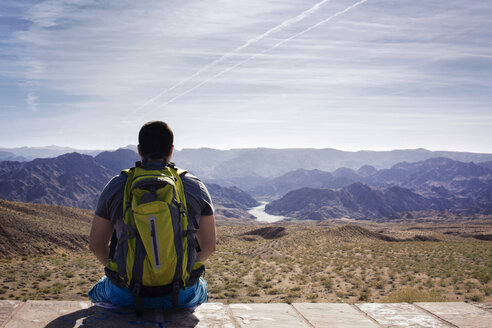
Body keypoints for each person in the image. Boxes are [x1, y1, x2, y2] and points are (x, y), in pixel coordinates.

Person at [88, 120, 216, 309]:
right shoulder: (194, 185)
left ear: (139, 150)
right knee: (202, 287)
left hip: (127, 292)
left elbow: (96, 245)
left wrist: (122, 272)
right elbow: (209, 246)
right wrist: (181, 271)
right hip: (179, 293)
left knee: (96, 292)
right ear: (171, 150)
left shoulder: (117, 185)